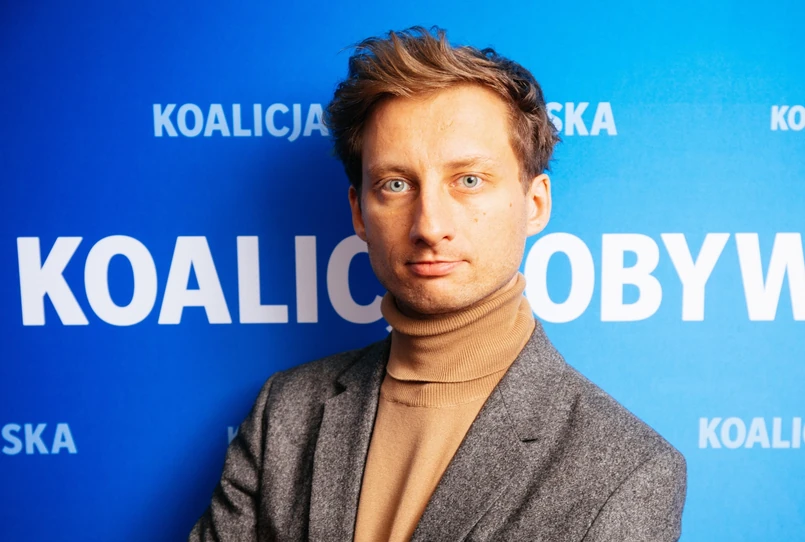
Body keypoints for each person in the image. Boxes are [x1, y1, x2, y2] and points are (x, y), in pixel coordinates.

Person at [188, 26, 686, 542]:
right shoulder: (284, 411)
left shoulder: (628, 473)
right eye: (395, 184)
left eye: (468, 180)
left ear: (535, 203)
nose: (429, 226)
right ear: (359, 212)